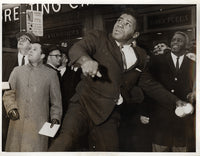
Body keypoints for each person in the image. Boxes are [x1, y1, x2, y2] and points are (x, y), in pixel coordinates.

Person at [48, 9, 188, 151]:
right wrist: (86, 60)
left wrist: (175, 101)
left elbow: (150, 85)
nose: (120, 25)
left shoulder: (140, 55)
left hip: (109, 114)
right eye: (119, 20)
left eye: (127, 24)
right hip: (83, 105)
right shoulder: (99, 38)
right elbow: (78, 48)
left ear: (135, 34)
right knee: (64, 142)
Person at [3, 42, 62, 152]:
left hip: (38, 128)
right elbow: (8, 93)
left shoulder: (51, 75)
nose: (30, 51)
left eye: (34, 49)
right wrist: (11, 108)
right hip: (17, 125)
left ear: (42, 55)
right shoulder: (17, 71)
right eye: (29, 48)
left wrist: (55, 119)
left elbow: (56, 103)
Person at [149, 31, 196, 152]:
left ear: (186, 46)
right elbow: (149, 87)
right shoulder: (157, 61)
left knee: (180, 149)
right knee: (159, 148)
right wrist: (145, 112)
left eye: (179, 40)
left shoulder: (193, 65)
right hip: (161, 117)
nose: (175, 42)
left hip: (182, 119)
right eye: (173, 39)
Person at [2, 31, 38, 150]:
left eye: (25, 38)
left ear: (31, 45)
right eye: (19, 38)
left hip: (28, 112)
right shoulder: (4, 59)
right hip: (5, 110)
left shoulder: (36, 63)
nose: (20, 40)